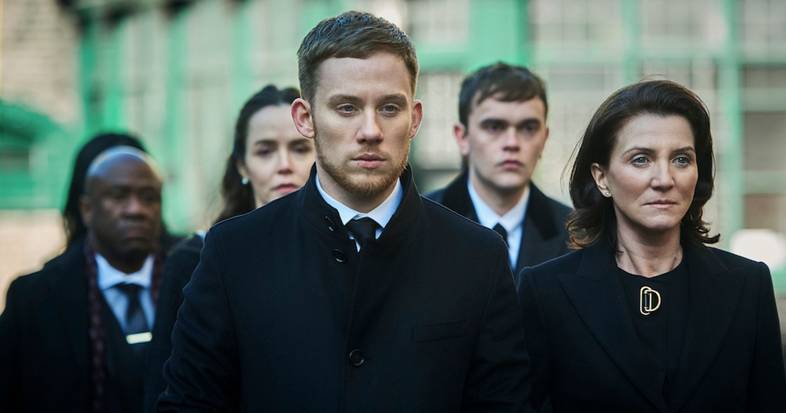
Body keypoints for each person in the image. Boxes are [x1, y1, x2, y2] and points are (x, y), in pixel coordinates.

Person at [158, 10, 529, 412]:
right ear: (305, 118)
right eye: (347, 108)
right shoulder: (234, 252)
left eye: (389, 108)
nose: (370, 131)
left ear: (415, 118)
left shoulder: (477, 256)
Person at [518, 80, 786, 412]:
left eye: (681, 159)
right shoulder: (545, 291)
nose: (664, 179)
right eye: (641, 160)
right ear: (602, 177)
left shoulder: (747, 285)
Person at [143, 84, 313, 410]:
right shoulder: (195, 260)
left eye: (300, 148)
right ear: (242, 166)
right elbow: (167, 391)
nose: (284, 164)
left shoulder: (344, 250)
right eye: (265, 151)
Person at [1, 146, 178, 413]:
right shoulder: (34, 298)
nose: (135, 210)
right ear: (86, 209)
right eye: (118, 196)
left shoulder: (195, 281)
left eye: (149, 197)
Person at [428, 62, 571, 277]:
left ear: (544, 139)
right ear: (462, 137)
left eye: (528, 128)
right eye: (494, 127)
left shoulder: (576, 236)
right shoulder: (420, 225)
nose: (512, 143)